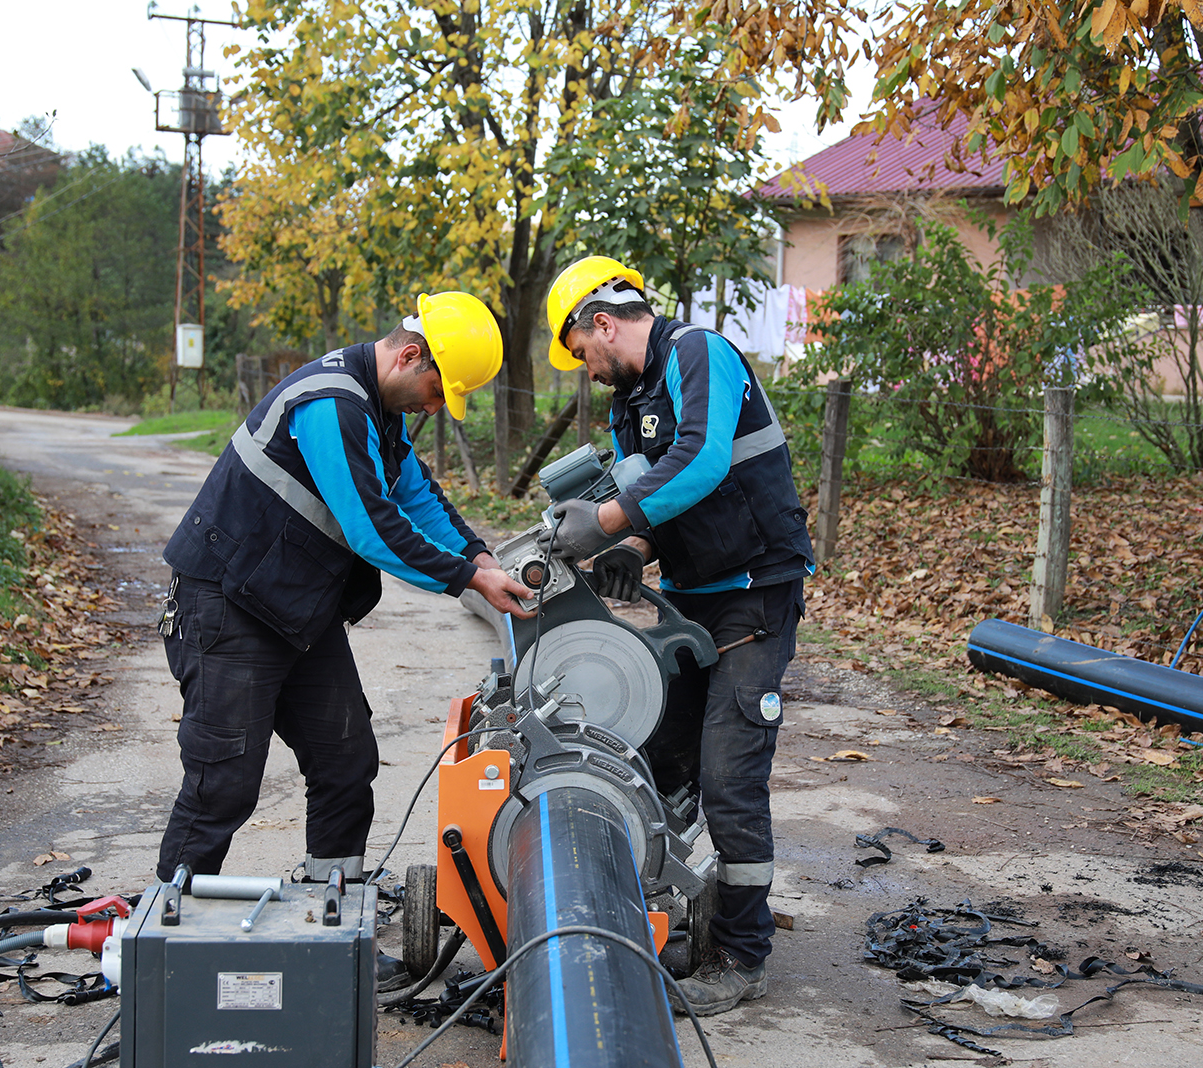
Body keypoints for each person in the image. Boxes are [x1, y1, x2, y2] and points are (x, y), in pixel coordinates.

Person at [154, 292, 534, 985]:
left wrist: (480, 557)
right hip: (228, 606)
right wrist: (467, 580)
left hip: (295, 611)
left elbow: (416, 497)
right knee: (222, 783)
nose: (433, 407)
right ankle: (161, 951)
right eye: (436, 392)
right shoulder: (331, 402)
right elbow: (370, 528)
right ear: (410, 356)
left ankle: (331, 939)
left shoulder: (381, 412)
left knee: (344, 763)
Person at [541, 256, 815, 1015]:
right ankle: (671, 911)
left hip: (755, 595)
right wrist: (634, 547)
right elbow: (662, 497)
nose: (586, 369)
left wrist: (606, 523)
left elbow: (701, 460)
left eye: (580, 352)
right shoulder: (630, 403)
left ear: (602, 324)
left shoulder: (700, 353)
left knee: (729, 777)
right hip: (696, 599)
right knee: (663, 764)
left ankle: (742, 954)